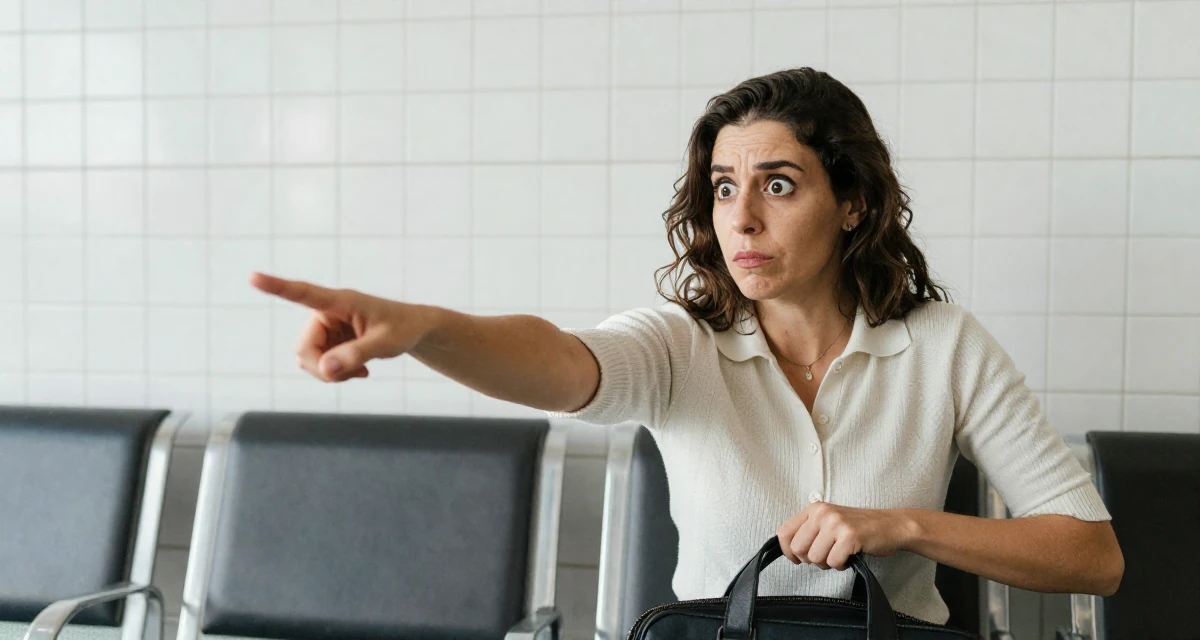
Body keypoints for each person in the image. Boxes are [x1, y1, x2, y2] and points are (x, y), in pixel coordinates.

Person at [250, 68, 1123, 625]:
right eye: (723, 188)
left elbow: (1093, 555)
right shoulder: (682, 345)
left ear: (853, 203)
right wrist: (426, 329)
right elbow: (557, 361)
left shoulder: (944, 345)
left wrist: (902, 526)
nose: (741, 217)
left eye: (778, 185)